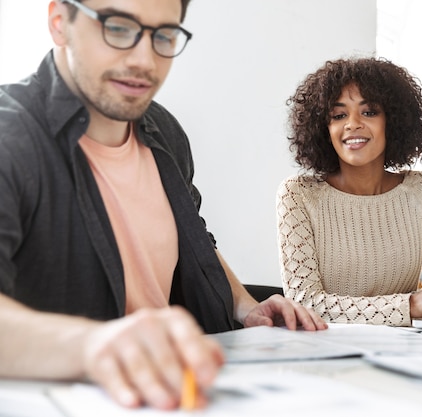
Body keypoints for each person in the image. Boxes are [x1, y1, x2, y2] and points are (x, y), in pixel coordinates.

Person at [0, 0, 326, 411]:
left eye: (163, 35)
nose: (144, 59)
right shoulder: (10, 136)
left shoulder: (165, 131)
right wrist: (95, 345)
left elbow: (195, 235)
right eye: (117, 28)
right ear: (60, 23)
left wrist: (246, 306)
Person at [277, 57, 422, 327]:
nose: (352, 124)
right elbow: (305, 303)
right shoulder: (298, 195)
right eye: (339, 115)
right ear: (324, 128)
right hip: (326, 356)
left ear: (392, 120)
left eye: (369, 112)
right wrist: (411, 304)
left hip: (406, 353)